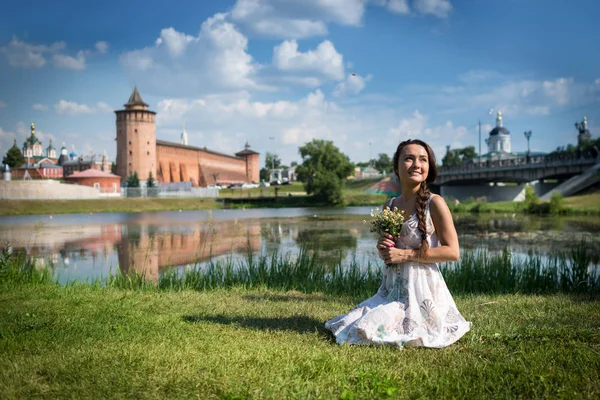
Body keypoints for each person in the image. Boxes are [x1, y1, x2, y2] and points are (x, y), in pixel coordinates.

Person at [325, 139, 471, 348]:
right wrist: (383, 247)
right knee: (354, 322)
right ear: (397, 167)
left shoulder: (435, 203)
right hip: (391, 288)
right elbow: (389, 253)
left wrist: (406, 255)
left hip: (422, 292)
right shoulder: (390, 205)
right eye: (409, 158)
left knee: (372, 329)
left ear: (429, 168)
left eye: (423, 160)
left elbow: (453, 252)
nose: (416, 165)